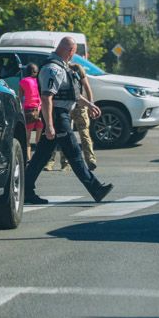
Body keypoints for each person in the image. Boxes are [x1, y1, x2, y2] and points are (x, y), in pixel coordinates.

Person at [24, 37, 114, 205]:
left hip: (60, 114)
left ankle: (26, 189)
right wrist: (50, 125)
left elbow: (71, 93)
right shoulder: (53, 69)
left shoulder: (61, 67)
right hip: (58, 117)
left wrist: (89, 105)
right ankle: (96, 189)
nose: (74, 55)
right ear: (70, 51)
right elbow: (47, 98)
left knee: (41, 156)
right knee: (74, 154)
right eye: (73, 52)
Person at [19, 63, 44, 155]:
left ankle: (28, 159)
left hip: (29, 110)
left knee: (27, 138)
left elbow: (20, 98)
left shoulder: (23, 81)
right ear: (35, 72)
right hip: (41, 110)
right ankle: (38, 158)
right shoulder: (40, 81)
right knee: (39, 139)